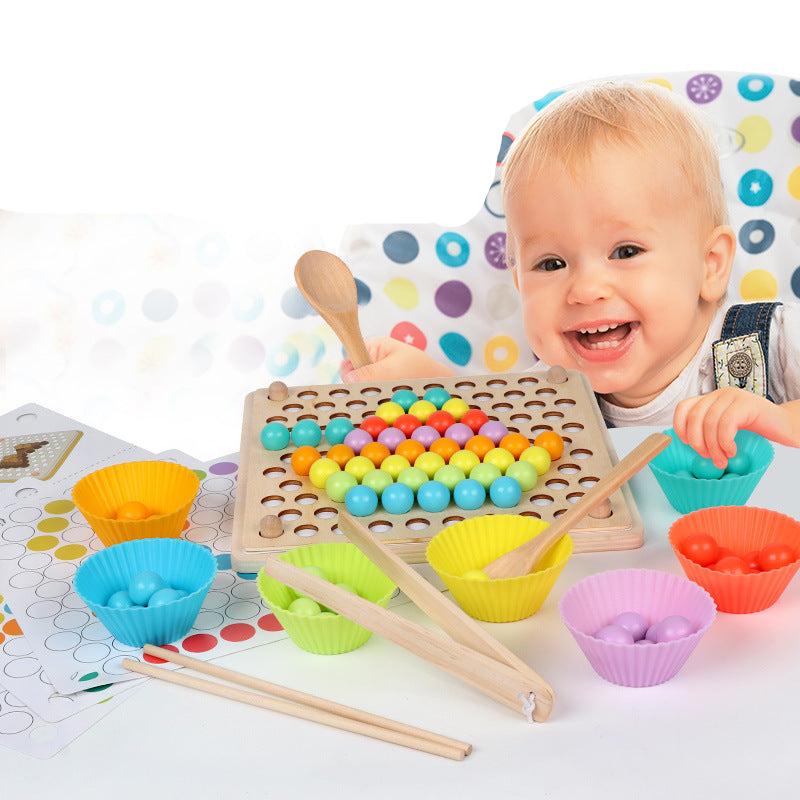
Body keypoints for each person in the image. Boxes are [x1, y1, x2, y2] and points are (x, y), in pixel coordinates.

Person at [340, 81, 800, 469]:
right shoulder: (552, 391)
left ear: (711, 264)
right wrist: (427, 386)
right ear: (519, 283)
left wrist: (779, 423)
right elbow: (487, 434)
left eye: (625, 251)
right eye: (551, 264)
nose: (585, 289)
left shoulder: (773, 341)